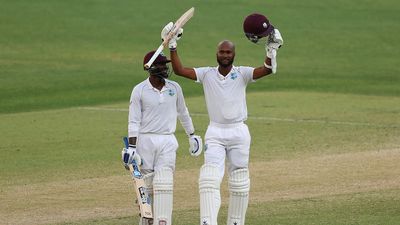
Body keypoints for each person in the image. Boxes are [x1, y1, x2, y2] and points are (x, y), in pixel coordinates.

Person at [161, 13, 283, 225]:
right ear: (216, 53)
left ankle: (236, 222)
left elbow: (267, 70)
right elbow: (180, 71)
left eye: (228, 52)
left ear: (234, 54)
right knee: (209, 178)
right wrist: (172, 45)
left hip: (238, 132)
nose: (225, 55)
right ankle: (207, 222)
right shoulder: (207, 74)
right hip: (215, 132)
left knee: (239, 180)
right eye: (221, 52)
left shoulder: (242, 73)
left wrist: (271, 50)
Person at [121, 50, 203, 225]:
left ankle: (163, 222)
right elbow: (133, 121)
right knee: (147, 188)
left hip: (167, 140)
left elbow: (183, 112)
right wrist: (132, 148)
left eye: (165, 65)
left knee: (165, 183)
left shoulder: (174, 88)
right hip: (146, 142)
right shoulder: (139, 90)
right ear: (149, 68)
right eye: (161, 65)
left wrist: (192, 135)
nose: (165, 68)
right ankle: (146, 220)